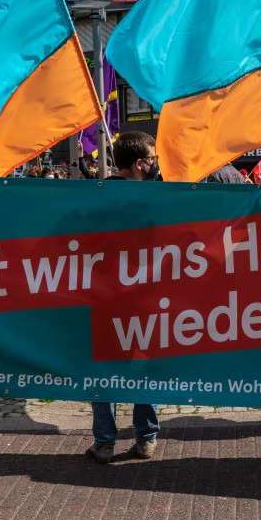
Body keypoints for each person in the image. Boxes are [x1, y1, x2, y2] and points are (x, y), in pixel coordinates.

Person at [86, 131, 161, 463]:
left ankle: (104, 442)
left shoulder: (97, 197)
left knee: (104, 368)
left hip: (105, 296)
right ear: (139, 163)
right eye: (153, 158)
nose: (156, 163)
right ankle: (146, 439)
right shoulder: (159, 199)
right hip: (144, 296)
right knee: (145, 365)